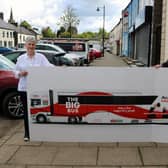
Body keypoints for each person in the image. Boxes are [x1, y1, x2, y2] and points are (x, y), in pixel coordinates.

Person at [15, 36, 53, 141]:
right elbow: (15, 73)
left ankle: (40, 133)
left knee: (40, 111)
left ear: (35, 46)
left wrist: (60, 68)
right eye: (29, 44)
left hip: (37, 89)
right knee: (27, 112)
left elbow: (49, 67)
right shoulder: (21, 58)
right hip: (24, 89)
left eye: (33, 44)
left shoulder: (41, 57)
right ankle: (27, 133)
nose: (31, 46)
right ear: (25, 46)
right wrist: (20, 73)